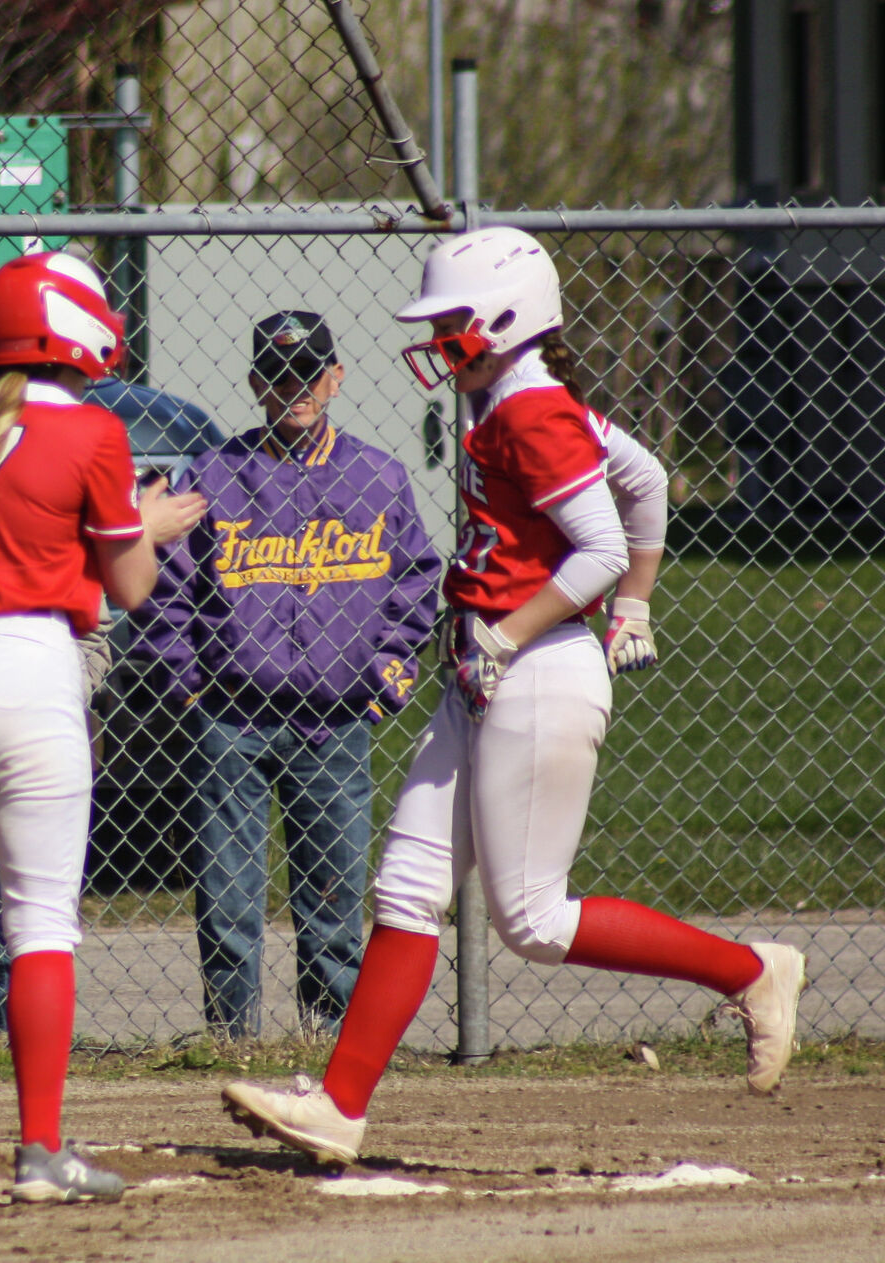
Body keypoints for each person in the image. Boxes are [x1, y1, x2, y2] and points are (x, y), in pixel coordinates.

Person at [220, 226, 806, 1167]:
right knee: (407, 888)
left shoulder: (528, 406)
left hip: (531, 670)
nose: (438, 339)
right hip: (491, 668)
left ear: (502, 319)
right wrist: (624, 611)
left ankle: (752, 970)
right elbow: (647, 477)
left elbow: (604, 543)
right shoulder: (511, 392)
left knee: (531, 920)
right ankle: (338, 1102)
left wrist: (566, 615)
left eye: (452, 322)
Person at [0, 252, 205, 1203]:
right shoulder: (94, 429)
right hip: (27, 665)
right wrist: (144, 528)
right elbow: (130, 587)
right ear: (77, 329)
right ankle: (41, 1147)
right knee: (39, 916)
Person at [138, 310, 441, 1040]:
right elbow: (161, 588)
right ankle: (230, 1036)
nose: (294, 388)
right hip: (231, 717)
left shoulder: (378, 475)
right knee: (229, 895)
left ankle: (329, 1033)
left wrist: (385, 678)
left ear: (335, 377)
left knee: (333, 893)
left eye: (308, 373)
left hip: (335, 720)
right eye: (277, 376)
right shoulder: (211, 477)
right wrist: (187, 683)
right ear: (254, 384)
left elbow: (417, 583)